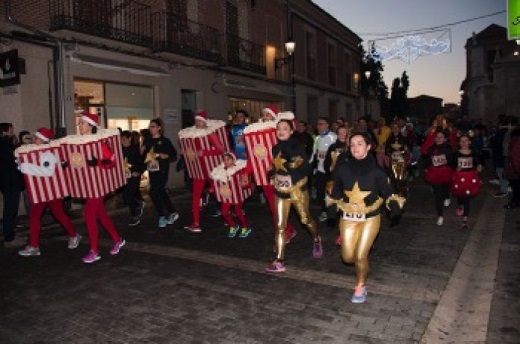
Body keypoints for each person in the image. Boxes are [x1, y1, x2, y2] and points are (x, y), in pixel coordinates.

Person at [327, 132, 404, 303]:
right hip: (348, 218)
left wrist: (394, 210)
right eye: (352, 144)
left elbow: (388, 192)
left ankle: (360, 286)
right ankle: (360, 268)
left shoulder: (377, 172)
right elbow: (336, 192)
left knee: (361, 255)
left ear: (369, 147)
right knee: (348, 257)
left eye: (360, 144)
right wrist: (331, 212)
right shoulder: (342, 169)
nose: (355, 148)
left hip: (370, 217)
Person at [265, 119, 323, 273]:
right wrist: (271, 172)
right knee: (280, 226)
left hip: (297, 190)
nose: (281, 131)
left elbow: (307, 169)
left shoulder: (297, 146)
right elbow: (276, 167)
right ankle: (279, 260)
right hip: (281, 191)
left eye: (285, 128)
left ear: (291, 131)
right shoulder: (275, 147)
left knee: (305, 219)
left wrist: (294, 164)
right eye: (278, 128)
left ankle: (316, 238)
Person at [17, 128, 82, 256]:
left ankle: (74, 235)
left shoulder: (48, 154)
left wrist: (24, 167)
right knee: (36, 216)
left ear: (43, 140)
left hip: (52, 191)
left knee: (58, 215)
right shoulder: (39, 151)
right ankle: (34, 245)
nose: (34, 140)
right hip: (42, 192)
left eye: (37, 138)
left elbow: (47, 171)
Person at [243, 105, 297, 243]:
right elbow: (252, 157)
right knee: (273, 207)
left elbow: (293, 127)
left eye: (268, 114)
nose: (265, 116)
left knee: (282, 205)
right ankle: (286, 230)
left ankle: (286, 230)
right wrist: (246, 173)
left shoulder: (278, 131)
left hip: (281, 174)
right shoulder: (255, 135)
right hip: (264, 176)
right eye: (264, 114)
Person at [77, 112, 126, 263]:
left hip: (99, 186)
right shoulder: (80, 143)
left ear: (91, 126)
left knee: (89, 216)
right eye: (79, 123)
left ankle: (94, 250)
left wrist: (97, 162)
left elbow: (112, 161)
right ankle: (118, 240)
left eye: (82, 123)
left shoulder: (99, 143)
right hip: (88, 185)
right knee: (101, 215)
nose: (79, 125)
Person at [181, 110, 227, 233]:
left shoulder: (210, 133)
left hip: (211, 170)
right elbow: (190, 151)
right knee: (196, 196)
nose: (197, 123)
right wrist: (186, 153)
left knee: (220, 194)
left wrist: (205, 152)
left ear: (204, 122)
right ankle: (196, 223)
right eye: (196, 120)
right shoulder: (191, 135)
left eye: (199, 121)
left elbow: (221, 150)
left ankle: (228, 216)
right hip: (198, 171)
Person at [141, 118, 179, 228]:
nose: (150, 128)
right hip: (152, 169)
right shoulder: (147, 140)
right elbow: (143, 155)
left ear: (159, 128)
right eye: (150, 126)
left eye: (153, 126)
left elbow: (173, 155)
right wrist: (142, 151)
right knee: (156, 191)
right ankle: (169, 213)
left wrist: (164, 155)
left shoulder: (165, 141)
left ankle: (165, 214)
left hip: (162, 169)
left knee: (156, 190)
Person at [210, 152, 252, 238]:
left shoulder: (239, 169)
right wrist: (213, 188)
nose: (226, 161)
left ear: (233, 160)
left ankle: (245, 227)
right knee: (224, 212)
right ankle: (233, 226)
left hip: (237, 195)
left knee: (238, 212)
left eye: (228, 159)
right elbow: (217, 180)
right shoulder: (220, 171)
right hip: (226, 196)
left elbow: (245, 174)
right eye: (224, 160)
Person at [0, 122, 26, 248]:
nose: (12, 131)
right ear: (4, 131)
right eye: (11, 129)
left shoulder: (7, 144)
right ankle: (9, 238)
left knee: (12, 210)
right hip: (10, 183)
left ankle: (11, 234)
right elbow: (13, 161)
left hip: (9, 183)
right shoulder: (5, 146)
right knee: (10, 210)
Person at [450, 134, 483, 228]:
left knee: (466, 198)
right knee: (460, 195)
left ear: (470, 142)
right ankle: (460, 205)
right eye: (461, 141)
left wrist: (479, 167)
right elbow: (451, 166)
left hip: (470, 178)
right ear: (459, 143)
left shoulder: (474, 153)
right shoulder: (456, 154)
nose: (464, 143)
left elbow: (478, 163)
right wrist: (456, 168)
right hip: (459, 178)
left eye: (466, 141)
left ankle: (465, 221)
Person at [423, 130, 454, 226]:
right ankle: (440, 216)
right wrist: (426, 167)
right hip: (434, 172)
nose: (438, 138)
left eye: (441, 137)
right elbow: (427, 159)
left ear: (445, 139)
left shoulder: (448, 148)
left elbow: (452, 160)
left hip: (445, 172)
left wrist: (446, 161)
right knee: (437, 195)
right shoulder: (431, 148)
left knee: (445, 190)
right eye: (437, 136)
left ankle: (447, 196)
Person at [310, 117, 337, 222]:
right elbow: (313, 153)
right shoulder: (317, 138)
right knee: (320, 193)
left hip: (330, 171)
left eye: (321, 124)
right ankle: (325, 211)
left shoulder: (333, 137)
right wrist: (310, 166)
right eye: (318, 124)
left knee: (331, 193)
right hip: (320, 170)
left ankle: (333, 212)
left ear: (327, 125)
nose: (318, 126)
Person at [121, 130, 146, 226]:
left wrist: (138, 172)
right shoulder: (120, 150)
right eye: (121, 139)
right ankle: (138, 205)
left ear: (129, 139)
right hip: (125, 177)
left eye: (124, 139)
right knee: (125, 197)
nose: (123, 141)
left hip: (134, 176)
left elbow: (143, 163)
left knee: (129, 195)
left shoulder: (135, 149)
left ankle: (134, 216)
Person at [504, 119, 520, 209]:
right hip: (514, 167)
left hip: (514, 168)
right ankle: (516, 201)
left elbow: (515, 155)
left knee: (516, 186)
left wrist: (516, 169)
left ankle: (515, 201)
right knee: (516, 186)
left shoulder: (516, 140)